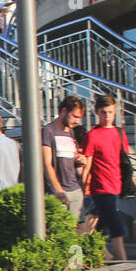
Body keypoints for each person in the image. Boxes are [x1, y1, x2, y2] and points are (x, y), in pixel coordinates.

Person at [80, 95, 136, 261]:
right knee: (115, 223)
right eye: (103, 112)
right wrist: (82, 189)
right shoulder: (92, 135)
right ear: (97, 112)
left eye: (110, 112)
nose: (107, 116)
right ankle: (122, 259)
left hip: (116, 185)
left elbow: (125, 163)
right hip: (100, 187)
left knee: (99, 222)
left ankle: (102, 253)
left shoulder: (119, 133)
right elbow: (87, 165)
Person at [43, 96, 88, 224]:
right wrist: (58, 189)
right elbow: (47, 163)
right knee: (59, 233)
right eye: (74, 116)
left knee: (76, 237)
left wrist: (80, 160)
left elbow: (71, 158)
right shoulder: (48, 131)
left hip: (74, 189)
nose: (77, 121)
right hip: (58, 191)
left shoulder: (71, 132)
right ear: (64, 111)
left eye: (79, 118)